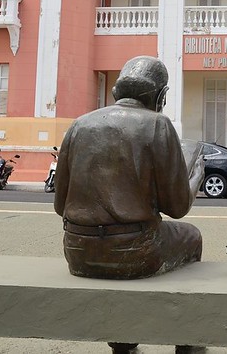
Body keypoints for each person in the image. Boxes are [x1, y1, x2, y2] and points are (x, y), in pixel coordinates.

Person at [54, 55, 203, 280]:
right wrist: (196, 178)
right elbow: (177, 208)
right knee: (192, 235)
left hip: (77, 250)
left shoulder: (79, 124)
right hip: (134, 252)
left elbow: (59, 206)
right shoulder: (158, 124)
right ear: (162, 96)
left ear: (116, 91)